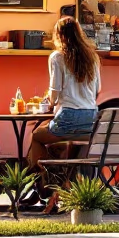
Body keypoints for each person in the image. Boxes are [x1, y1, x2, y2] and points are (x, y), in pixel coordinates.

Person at [29, 16, 102, 159]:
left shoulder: (58, 57)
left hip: (68, 117)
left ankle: (40, 176)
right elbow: (97, 90)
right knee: (62, 144)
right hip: (90, 118)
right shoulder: (92, 57)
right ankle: (65, 176)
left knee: (37, 136)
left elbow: (55, 91)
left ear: (59, 35)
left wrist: (49, 103)